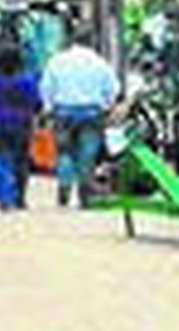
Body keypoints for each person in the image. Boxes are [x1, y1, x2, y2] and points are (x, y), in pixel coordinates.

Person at [40, 31, 120, 208]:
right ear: (91, 42)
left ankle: (64, 185)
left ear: (72, 41)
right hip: (91, 113)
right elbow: (113, 90)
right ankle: (84, 190)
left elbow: (46, 88)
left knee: (64, 152)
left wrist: (48, 109)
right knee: (87, 154)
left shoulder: (57, 61)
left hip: (63, 112)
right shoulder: (100, 63)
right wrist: (107, 107)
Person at [0, 45, 40, 211]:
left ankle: (4, 198)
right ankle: (19, 198)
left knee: (1, 159)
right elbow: (36, 104)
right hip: (22, 124)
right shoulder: (27, 80)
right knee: (21, 161)